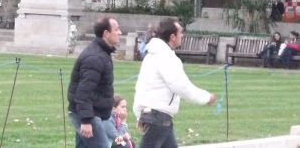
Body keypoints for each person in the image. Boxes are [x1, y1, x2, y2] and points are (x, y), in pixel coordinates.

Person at [133, 18, 216, 148]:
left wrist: (140, 114)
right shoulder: (166, 58)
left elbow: (141, 88)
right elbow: (182, 87)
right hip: (157, 117)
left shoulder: (153, 55)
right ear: (172, 36)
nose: (182, 35)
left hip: (158, 117)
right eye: (180, 32)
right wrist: (206, 97)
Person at [68, 16, 122, 148]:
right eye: (117, 29)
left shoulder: (102, 53)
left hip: (90, 113)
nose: (120, 32)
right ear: (106, 33)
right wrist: (86, 121)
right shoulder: (95, 57)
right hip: (88, 115)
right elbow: (84, 92)